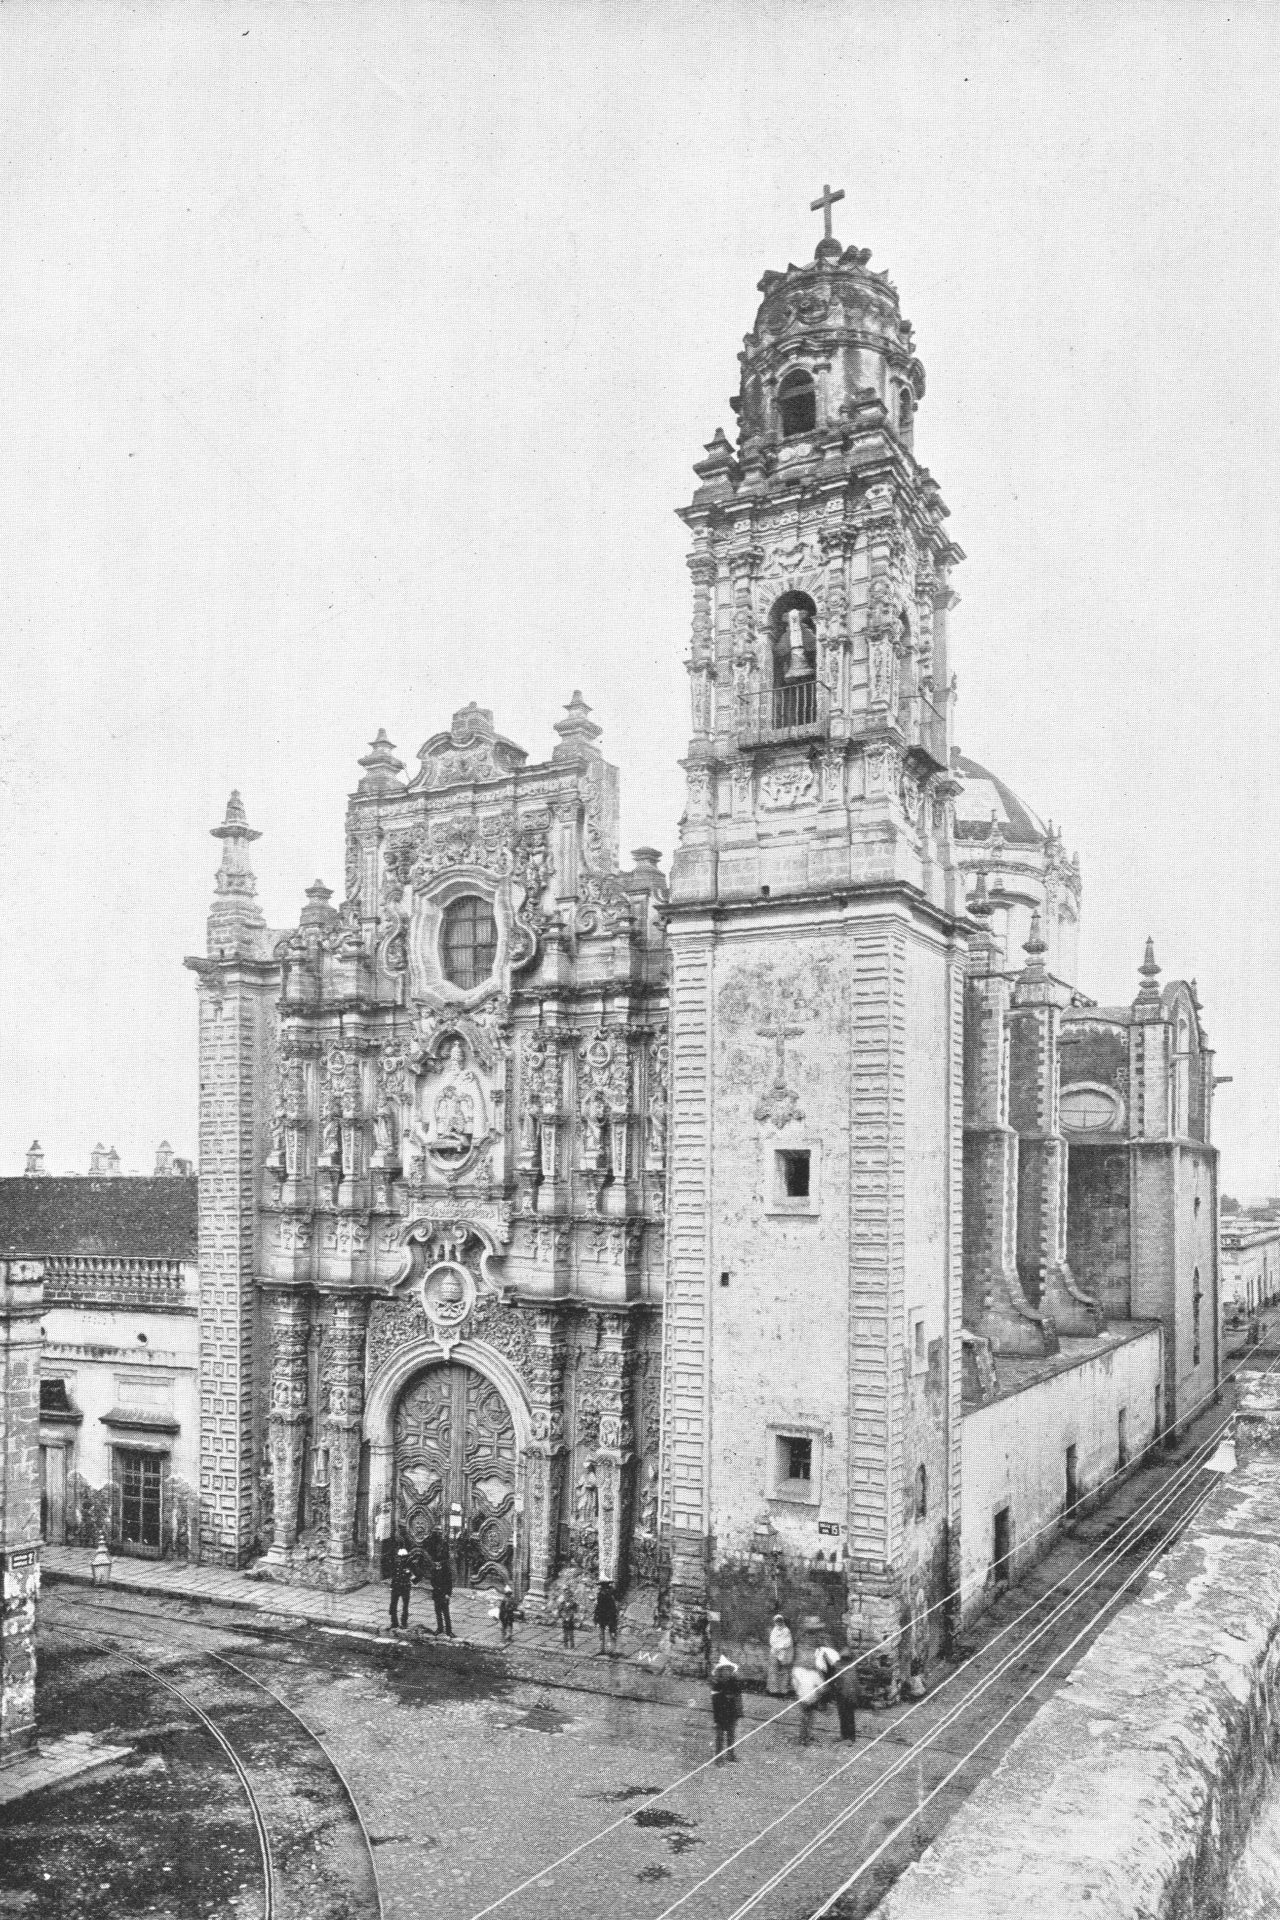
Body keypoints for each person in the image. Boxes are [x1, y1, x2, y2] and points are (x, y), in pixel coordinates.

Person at [710, 1655, 743, 1763]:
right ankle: (718, 1758)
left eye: (728, 1670)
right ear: (720, 1671)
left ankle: (731, 1755)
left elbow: (738, 1697)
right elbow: (715, 1701)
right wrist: (716, 1719)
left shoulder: (734, 1682)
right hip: (720, 1713)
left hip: (732, 1712)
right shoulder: (716, 1684)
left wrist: (738, 1713)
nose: (726, 1672)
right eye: (724, 1670)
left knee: (731, 1735)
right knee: (719, 1736)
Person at [829, 1649, 859, 1742]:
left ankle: (848, 1736)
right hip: (848, 1695)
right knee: (848, 1716)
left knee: (845, 1716)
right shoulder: (852, 1667)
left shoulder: (838, 1666)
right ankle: (848, 1736)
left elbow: (834, 1680)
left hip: (844, 1695)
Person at [767, 1612, 795, 1696]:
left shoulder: (786, 1631)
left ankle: (783, 1691)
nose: (778, 1622)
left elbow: (788, 1643)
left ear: (782, 1621)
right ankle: (773, 1690)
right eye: (776, 1621)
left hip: (784, 1654)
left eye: (780, 1621)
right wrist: (777, 1647)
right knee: (773, 1671)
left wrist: (779, 1647)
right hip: (774, 1653)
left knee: (784, 1672)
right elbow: (772, 1641)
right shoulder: (774, 1630)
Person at [430, 1550, 454, 1637]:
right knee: (438, 1613)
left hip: (444, 1594)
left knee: (446, 1614)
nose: (437, 1564)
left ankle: (449, 1631)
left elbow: (449, 1583)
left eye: (438, 1562)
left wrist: (448, 1594)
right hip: (437, 1594)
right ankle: (439, 1628)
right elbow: (432, 1582)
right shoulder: (433, 1570)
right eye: (435, 1562)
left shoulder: (446, 1570)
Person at [389, 1547, 414, 1630]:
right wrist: (392, 1586)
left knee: (405, 1606)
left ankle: (404, 1623)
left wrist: (409, 1573)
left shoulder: (410, 1564)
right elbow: (394, 1575)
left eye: (403, 1557)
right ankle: (394, 1622)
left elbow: (415, 1577)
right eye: (400, 1557)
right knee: (393, 1605)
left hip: (405, 1587)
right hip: (396, 1587)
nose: (401, 1559)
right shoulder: (396, 1564)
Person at [594, 1578, 618, 1655]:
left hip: (610, 1615)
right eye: (601, 1587)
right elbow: (597, 1606)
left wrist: (613, 1617)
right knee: (601, 1633)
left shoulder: (610, 1596)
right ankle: (601, 1649)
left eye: (604, 1587)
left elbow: (613, 1607)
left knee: (612, 1633)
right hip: (601, 1616)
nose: (602, 1589)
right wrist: (596, 1616)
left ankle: (612, 1650)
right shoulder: (600, 1595)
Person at [557, 1583, 579, 1649]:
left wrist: (570, 1615)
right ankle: (565, 1645)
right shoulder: (562, 1604)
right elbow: (560, 1611)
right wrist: (563, 1615)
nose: (566, 1597)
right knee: (565, 1634)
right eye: (565, 1596)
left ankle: (572, 1646)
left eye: (568, 1596)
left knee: (571, 1634)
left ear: (570, 1596)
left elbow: (575, 1610)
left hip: (570, 1621)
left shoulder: (573, 1604)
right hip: (565, 1621)